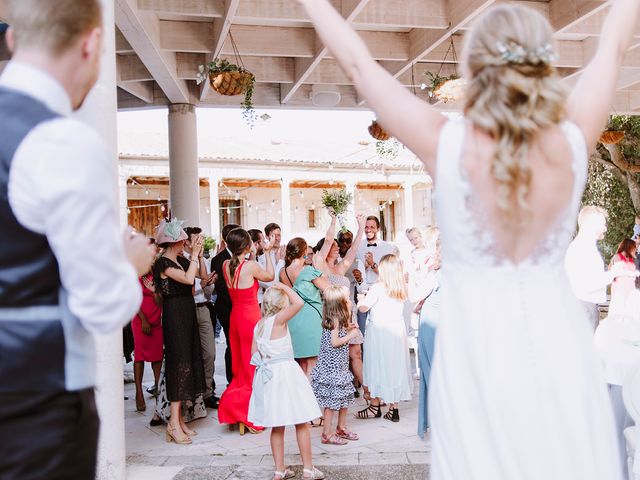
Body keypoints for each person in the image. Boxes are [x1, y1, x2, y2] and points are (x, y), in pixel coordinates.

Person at [295, 0, 640, 477]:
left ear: (475, 69)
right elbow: (614, 43)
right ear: (544, 66)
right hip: (558, 336)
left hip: (480, 345)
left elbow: (358, 62)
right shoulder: (573, 135)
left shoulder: (445, 140)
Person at [0, 1, 156, 477]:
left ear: (13, 40)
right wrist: (129, 263)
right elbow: (101, 306)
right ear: (91, 43)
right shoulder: (59, 142)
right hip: (35, 402)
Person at [248, 283, 324, 480]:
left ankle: (279, 470)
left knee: (277, 425)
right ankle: (308, 469)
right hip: (286, 374)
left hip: (269, 376)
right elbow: (299, 303)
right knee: (301, 421)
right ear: (281, 303)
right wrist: (283, 285)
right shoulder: (278, 319)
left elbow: (254, 353)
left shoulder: (260, 324)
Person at [154, 219, 207, 444]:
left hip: (187, 313)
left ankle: (180, 419)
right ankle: (173, 424)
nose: (186, 241)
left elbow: (200, 277)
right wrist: (193, 255)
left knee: (189, 361)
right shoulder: (164, 263)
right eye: (183, 238)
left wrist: (199, 254)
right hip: (175, 315)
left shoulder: (181, 260)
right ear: (174, 241)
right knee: (179, 365)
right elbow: (186, 280)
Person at [218, 228, 275, 433]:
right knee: (253, 364)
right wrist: (267, 253)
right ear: (247, 246)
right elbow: (270, 276)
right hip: (250, 318)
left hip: (235, 318)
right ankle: (249, 414)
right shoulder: (250, 266)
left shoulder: (226, 265)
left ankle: (239, 411)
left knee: (240, 366)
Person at [356, 254, 412, 422]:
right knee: (393, 367)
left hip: (379, 332)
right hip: (396, 331)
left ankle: (374, 406)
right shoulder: (401, 287)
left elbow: (364, 308)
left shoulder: (378, 287)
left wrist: (360, 300)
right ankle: (393, 409)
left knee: (377, 365)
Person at [314, 211, 366, 389]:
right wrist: (334, 218)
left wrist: (361, 229)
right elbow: (328, 240)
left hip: (348, 316)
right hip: (332, 318)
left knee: (356, 354)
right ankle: (338, 391)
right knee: (339, 359)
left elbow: (352, 251)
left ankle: (369, 392)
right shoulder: (320, 266)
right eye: (335, 245)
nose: (338, 247)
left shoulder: (340, 267)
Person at [565, 207, 633, 329]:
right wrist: (613, 273)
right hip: (584, 310)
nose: (605, 228)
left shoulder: (584, 247)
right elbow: (588, 283)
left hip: (585, 309)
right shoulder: (582, 248)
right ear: (591, 224)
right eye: (602, 224)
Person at [311, 285, 360, 446]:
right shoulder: (334, 319)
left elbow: (338, 333)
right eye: (346, 299)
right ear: (338, 303)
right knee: (331, 402)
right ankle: (327, 434)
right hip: (332, 369)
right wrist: (350, 335)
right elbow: (334, 342)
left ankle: (341, 427)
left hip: (340, 367)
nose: (349, 301)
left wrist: (348, 328)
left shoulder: (337, 318)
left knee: (344, 397)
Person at [280, 237, 330, 376]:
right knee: (313, 364)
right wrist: (321, 269)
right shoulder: (307, 270)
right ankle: (310, 397)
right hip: (310, 319)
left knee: (302, 364)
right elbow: (329, 289)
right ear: (303, 253)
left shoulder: (283, 272)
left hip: (293, 319)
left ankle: (301, 395)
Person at [409, 230, 441, 438]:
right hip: (441, 324)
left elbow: (414, 295)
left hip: (432, 326)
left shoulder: (434, 274)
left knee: (432, 374)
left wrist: (414, 275)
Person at [184, 226, 219, 409]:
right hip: (187, 310)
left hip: (203, 307)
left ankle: (208, 392)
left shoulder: (201, 259)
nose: (200, 242)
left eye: (201, 239)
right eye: (197, 239)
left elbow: (206, 288)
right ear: (187, 242)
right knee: (190, 354)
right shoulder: (182, 259)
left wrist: (208, 283)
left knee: (209, 353)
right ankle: (191, 394)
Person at [355, 216, 399, 336]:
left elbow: (390, 273)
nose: (369, 230)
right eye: (366, 227)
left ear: (378, 229)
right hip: (362, 292)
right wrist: (364, 266)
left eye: (372, 227)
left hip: (381, 293)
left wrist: (373, 264)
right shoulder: (358, 246)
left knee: (380, 329)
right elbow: (356, 271)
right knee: (362, 330)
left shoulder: (388, 248)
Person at [132, 259, 163, 412]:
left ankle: (159, 391)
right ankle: (138, 392)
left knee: (157, 357)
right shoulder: (135, 276)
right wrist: (143, 319)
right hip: (139, 320)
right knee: (139, 356)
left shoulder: (157, 278)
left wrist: (153, 291)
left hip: (156, 321)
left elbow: (160, 301)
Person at [211, 223, 240, 383]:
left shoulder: (244, 257)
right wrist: (239, 299)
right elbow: (221, 287)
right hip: (227, 307)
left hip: (241, 307)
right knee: (232, 344)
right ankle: (232, 379)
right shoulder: (218, 259)